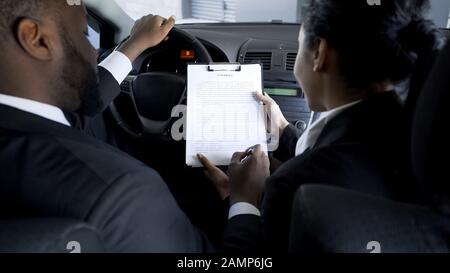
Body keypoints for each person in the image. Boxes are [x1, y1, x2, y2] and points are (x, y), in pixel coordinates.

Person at [198, 0, 445, 252]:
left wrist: (242, 199)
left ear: (319, 54)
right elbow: (342, 153)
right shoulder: (412, 129)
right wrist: (284, 131)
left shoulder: (293, 186)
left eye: (300, 42)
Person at [0, 0, 213, 252]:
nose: (95, 52)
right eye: (84, 34)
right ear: (36, 39)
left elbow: (76, 114)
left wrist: (133, 46)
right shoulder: (123, 191)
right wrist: (244, 202)